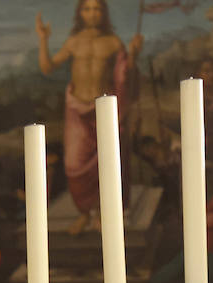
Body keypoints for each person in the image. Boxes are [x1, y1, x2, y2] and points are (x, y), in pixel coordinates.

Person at [36, 0, 142, 233]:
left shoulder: (113, 42)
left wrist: (134, 53)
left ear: (103, 13)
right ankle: (85, 212)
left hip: (103, 109)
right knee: (74, 164)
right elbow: (48, 67)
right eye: (87, 9)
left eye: (97, 9)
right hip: (76, 109)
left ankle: (105, 213)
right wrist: (43, 39)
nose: (92, 14)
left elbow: (126, 75)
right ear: (80, 13)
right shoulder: (74, 42)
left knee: (108, 163)